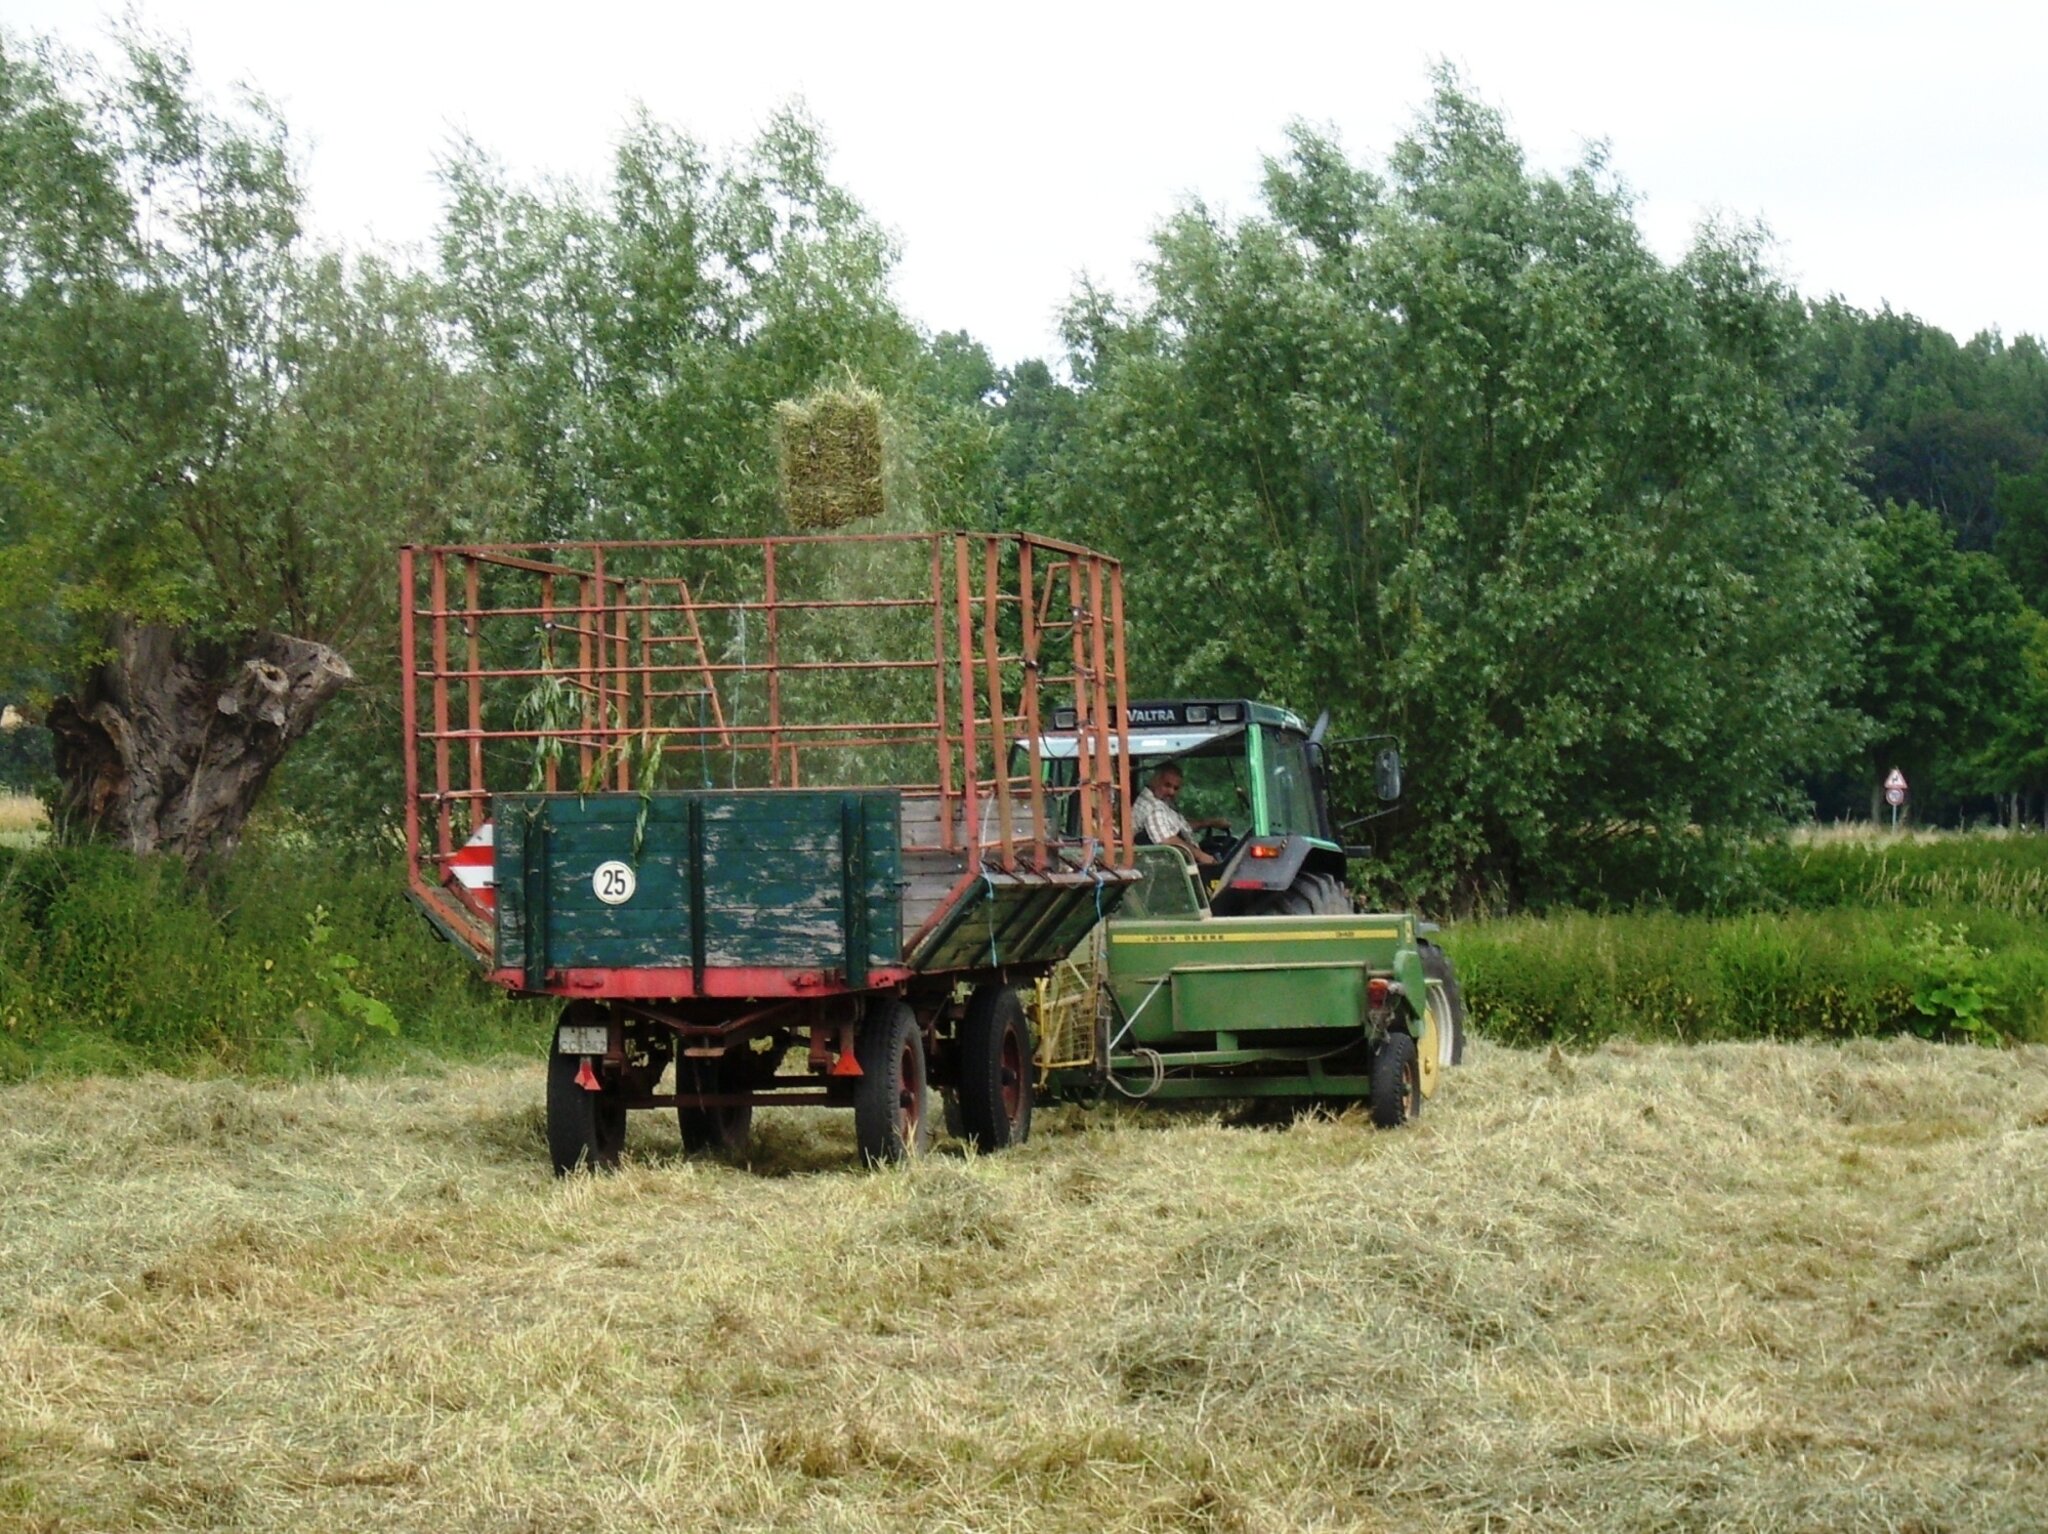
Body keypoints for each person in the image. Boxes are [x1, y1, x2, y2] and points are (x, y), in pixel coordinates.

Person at [1131, 762, 1230, 869]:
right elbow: (1166, 840)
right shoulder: (1154, 805)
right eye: (1167, 785)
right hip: (1163, 868)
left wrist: (1210, 822)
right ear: (1154, 780)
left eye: (1176, 788)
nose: (1171, 792)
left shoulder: (1160, 800)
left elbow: (1179, 825)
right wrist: (1200, 855)